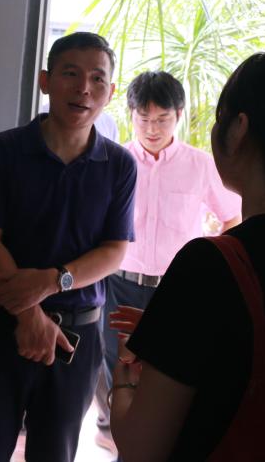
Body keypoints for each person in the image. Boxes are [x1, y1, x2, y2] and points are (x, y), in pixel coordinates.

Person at [109, 47, 265, 462]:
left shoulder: (210, 265)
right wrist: (177, 332)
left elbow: (141, 448)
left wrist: (123, 383)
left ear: (239, 130)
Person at [0, 32, 137, 462]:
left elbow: (114, 250)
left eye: (97, 78)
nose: (84, 88)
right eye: (70, 73)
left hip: (76, 339)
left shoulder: (119, 166)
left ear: (110, 91)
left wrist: (55, 281)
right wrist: (29, 315)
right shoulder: (3, 151)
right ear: (45, 81)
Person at [94, 71, 241, 451]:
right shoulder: (113, 161)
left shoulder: (200, 165)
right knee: (119, 370)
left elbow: (232, 217)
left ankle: (162, 450)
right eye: (143, 118)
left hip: (176, 290)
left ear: (179, 115)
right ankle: (121, 447)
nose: (152, 128)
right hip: (120, 284)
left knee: (172, 374)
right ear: (130, 115)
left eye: (162, 119)